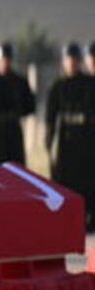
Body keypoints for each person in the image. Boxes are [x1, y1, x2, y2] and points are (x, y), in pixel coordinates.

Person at [45, 42, 95, 231]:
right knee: (65, 182)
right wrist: (49, 142)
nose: (72, 63)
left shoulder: (90, 83)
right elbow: (50, 117)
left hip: (87, 140)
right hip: (66, 142)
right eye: (68, 59)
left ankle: (89, 217)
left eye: (75, 59)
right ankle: (67, 220)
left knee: (88, 180)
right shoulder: (58, 86)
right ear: (63, 62)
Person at [0, 42, 35, 166]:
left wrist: (17, 112)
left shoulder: (19, 82)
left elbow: (30, 106)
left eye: (7, 59)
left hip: (13, 130)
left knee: (16, 165)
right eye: (2, 60)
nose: (4, 63)